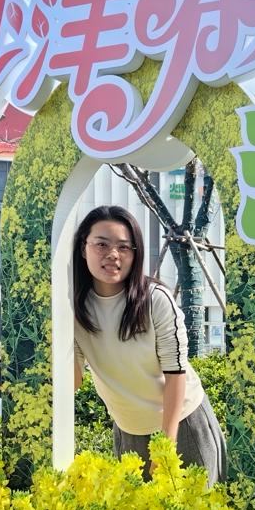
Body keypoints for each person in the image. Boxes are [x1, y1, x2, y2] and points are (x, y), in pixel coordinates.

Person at [72, 205, 227, 484]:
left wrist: (165, 446)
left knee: (198, 509)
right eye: (101, 244)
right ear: (83, 248)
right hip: (128, 430)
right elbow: (73, 381)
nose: (113, 254)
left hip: (182, 424)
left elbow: (175, 374)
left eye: (124, 247)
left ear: (135, 253)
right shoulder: (74, 308)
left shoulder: (155, 300)